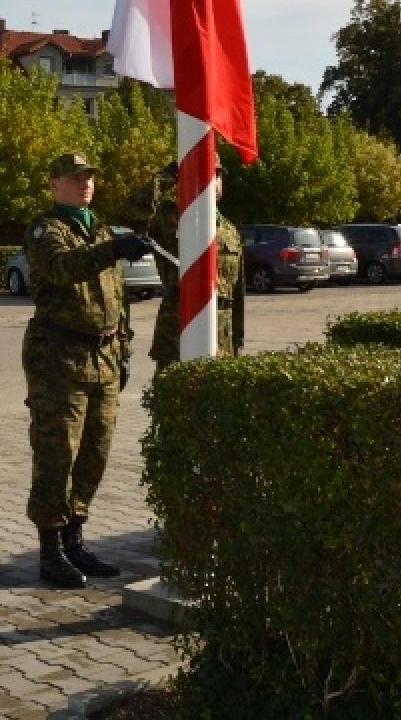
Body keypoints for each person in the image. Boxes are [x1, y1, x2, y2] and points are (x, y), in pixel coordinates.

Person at [22, 152, 151, 588]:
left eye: (90, 178)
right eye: (76, 178)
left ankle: (75, 537)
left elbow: (117, 298)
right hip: (60, 357)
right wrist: (113, 247)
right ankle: (50, 549)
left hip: (104, 356)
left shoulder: (96, 228)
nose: (85, 185)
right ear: (54, 183)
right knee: (57, 453)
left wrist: (125, 348)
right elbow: (62, 268)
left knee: (95, 452)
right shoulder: (47, 230)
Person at [127, 158, 245, 368]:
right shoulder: (170, 218)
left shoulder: (229, 231)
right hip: (177, 331)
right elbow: (135, 210)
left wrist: (237, 343)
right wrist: (166, 177)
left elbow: (237, 295)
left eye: (217, 175)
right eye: (206, 173)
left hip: (221, 335)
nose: (213, 180)